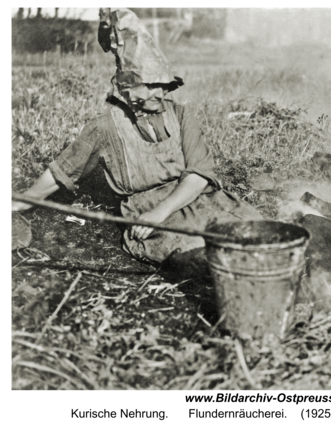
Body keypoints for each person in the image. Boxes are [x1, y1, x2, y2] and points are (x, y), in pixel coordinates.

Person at [12, 8, 262, 268]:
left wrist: (160, 212)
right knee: (203, 256)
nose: (160, 93)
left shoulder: (180, 114)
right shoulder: (106, 125)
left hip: (197, 198)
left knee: (257, 233)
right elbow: (64, 170)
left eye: (163, 85)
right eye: (150, 85)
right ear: (126, 87)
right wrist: (24, 199)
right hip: (147, 209)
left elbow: (198, 175)